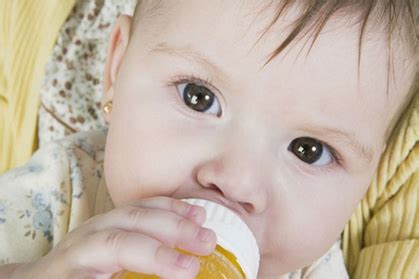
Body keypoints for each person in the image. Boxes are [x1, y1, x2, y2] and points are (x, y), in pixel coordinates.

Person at [0, 0, 417, 278]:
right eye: (198, 98)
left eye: (309, 150)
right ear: (116, 69)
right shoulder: (59, 190)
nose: (236, 181)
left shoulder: (312, 268)